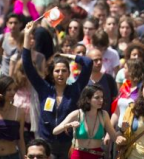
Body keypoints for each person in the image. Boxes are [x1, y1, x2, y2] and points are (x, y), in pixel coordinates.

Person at [22, 21, 93, 158]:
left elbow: (88, 63)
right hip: (46, 144)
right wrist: (26, 35)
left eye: (64, 71)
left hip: (69, 144)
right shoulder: (44, 89)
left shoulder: (76, 89)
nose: (60, 74)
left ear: (68, 73)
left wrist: (66, 56)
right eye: (57, 71)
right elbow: (27, 65)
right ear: (51, 73)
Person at [53, 85, 117, 159]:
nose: (101, 100)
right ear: (87, 99)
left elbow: (114, 136)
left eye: (102, 97)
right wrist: (68, 125)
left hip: (97, 155)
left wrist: (122, 131)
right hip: (78, 155)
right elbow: (55, 131)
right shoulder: (77, 114)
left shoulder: (104, 115)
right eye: (97, 97)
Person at [87, 49, 118, 114]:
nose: (99, 62)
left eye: (100, 59)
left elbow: (115, 102)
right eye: (95, 60)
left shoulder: (109, 79)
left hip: (106, 121)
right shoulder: (82, 80)